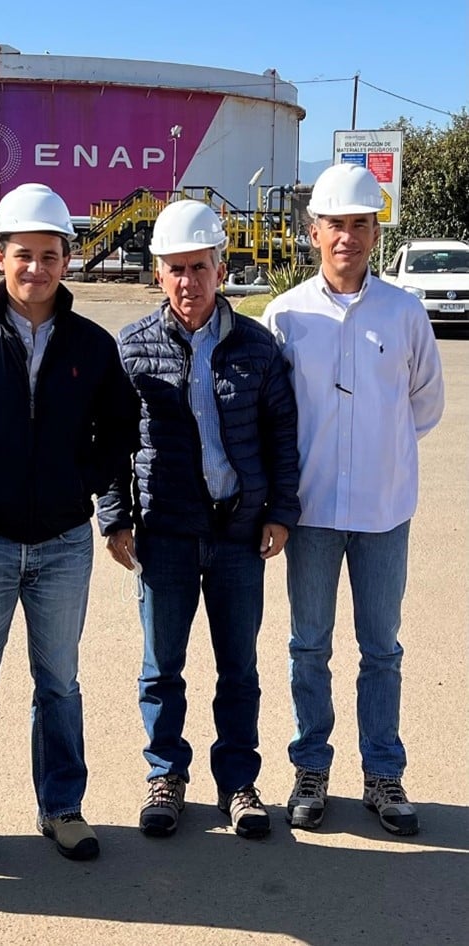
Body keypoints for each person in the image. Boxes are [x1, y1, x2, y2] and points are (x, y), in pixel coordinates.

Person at [0, 183, 135, 876]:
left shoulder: (92, 345)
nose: (35, 269)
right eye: (22, 255)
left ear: (67, 260)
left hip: (64, 544)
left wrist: (84, 485)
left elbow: (121, 429)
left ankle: (62, 810)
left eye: (48, 255)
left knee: (59, 683)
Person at [98, 200, 300, 840]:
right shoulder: (132, 348)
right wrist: (116, 518)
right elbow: (112, 444)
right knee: (162, 667)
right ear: (158, 273)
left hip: (239, 533)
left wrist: (281, 511)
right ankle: (166, 776)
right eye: (175, 268)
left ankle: (239, 783)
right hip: (167, 534)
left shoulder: (257, 347)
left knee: (238, 666)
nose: (188, 281)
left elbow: (282, 436)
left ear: (221, 267)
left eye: (200, 267)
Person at [262, 163, 444, 836]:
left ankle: (381, 774)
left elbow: (424, 401)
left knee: (381, 650)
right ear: (313, 233)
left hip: (381, 511)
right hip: (308, 515)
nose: (347, 237)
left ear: (375, 231)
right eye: (334, 224)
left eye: (359, 224)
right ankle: (310, 767)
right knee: (307, 647)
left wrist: (381, 451)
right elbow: (274, 413)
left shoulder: (403, 311)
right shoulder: (286, 315)